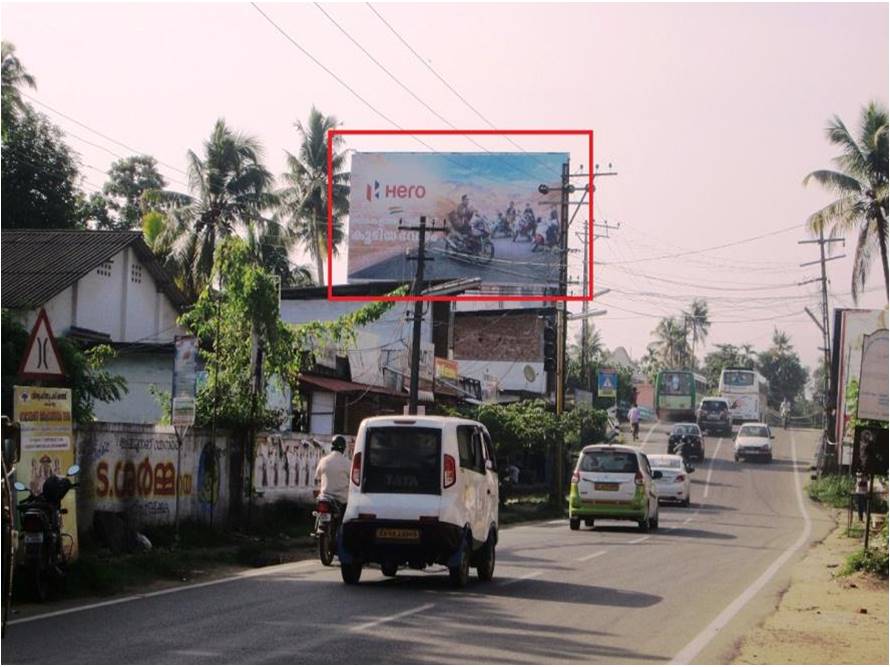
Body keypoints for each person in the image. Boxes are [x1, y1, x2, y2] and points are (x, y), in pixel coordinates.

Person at [314, 435, 351, 506]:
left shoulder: (323, 461)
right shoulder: (348, 463)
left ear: (332, 447)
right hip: (341, 500)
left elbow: (317, 478)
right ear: (343, 448)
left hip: (324, 498)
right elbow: (353, 481)